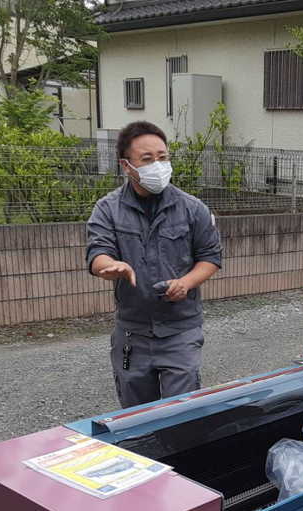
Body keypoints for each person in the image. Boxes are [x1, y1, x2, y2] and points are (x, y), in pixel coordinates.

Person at [86, 121, 222, 407]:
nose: (157, 165)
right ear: (126, 165)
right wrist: (111, 266)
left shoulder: (192, 208)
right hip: (132, 334)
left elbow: (210, 257)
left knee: (181, 414)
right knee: (136, 418)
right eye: (147, 160)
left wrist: (186, 282)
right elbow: (98, 253)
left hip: (180, 331)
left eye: (163, 157)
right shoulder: (107, 209)